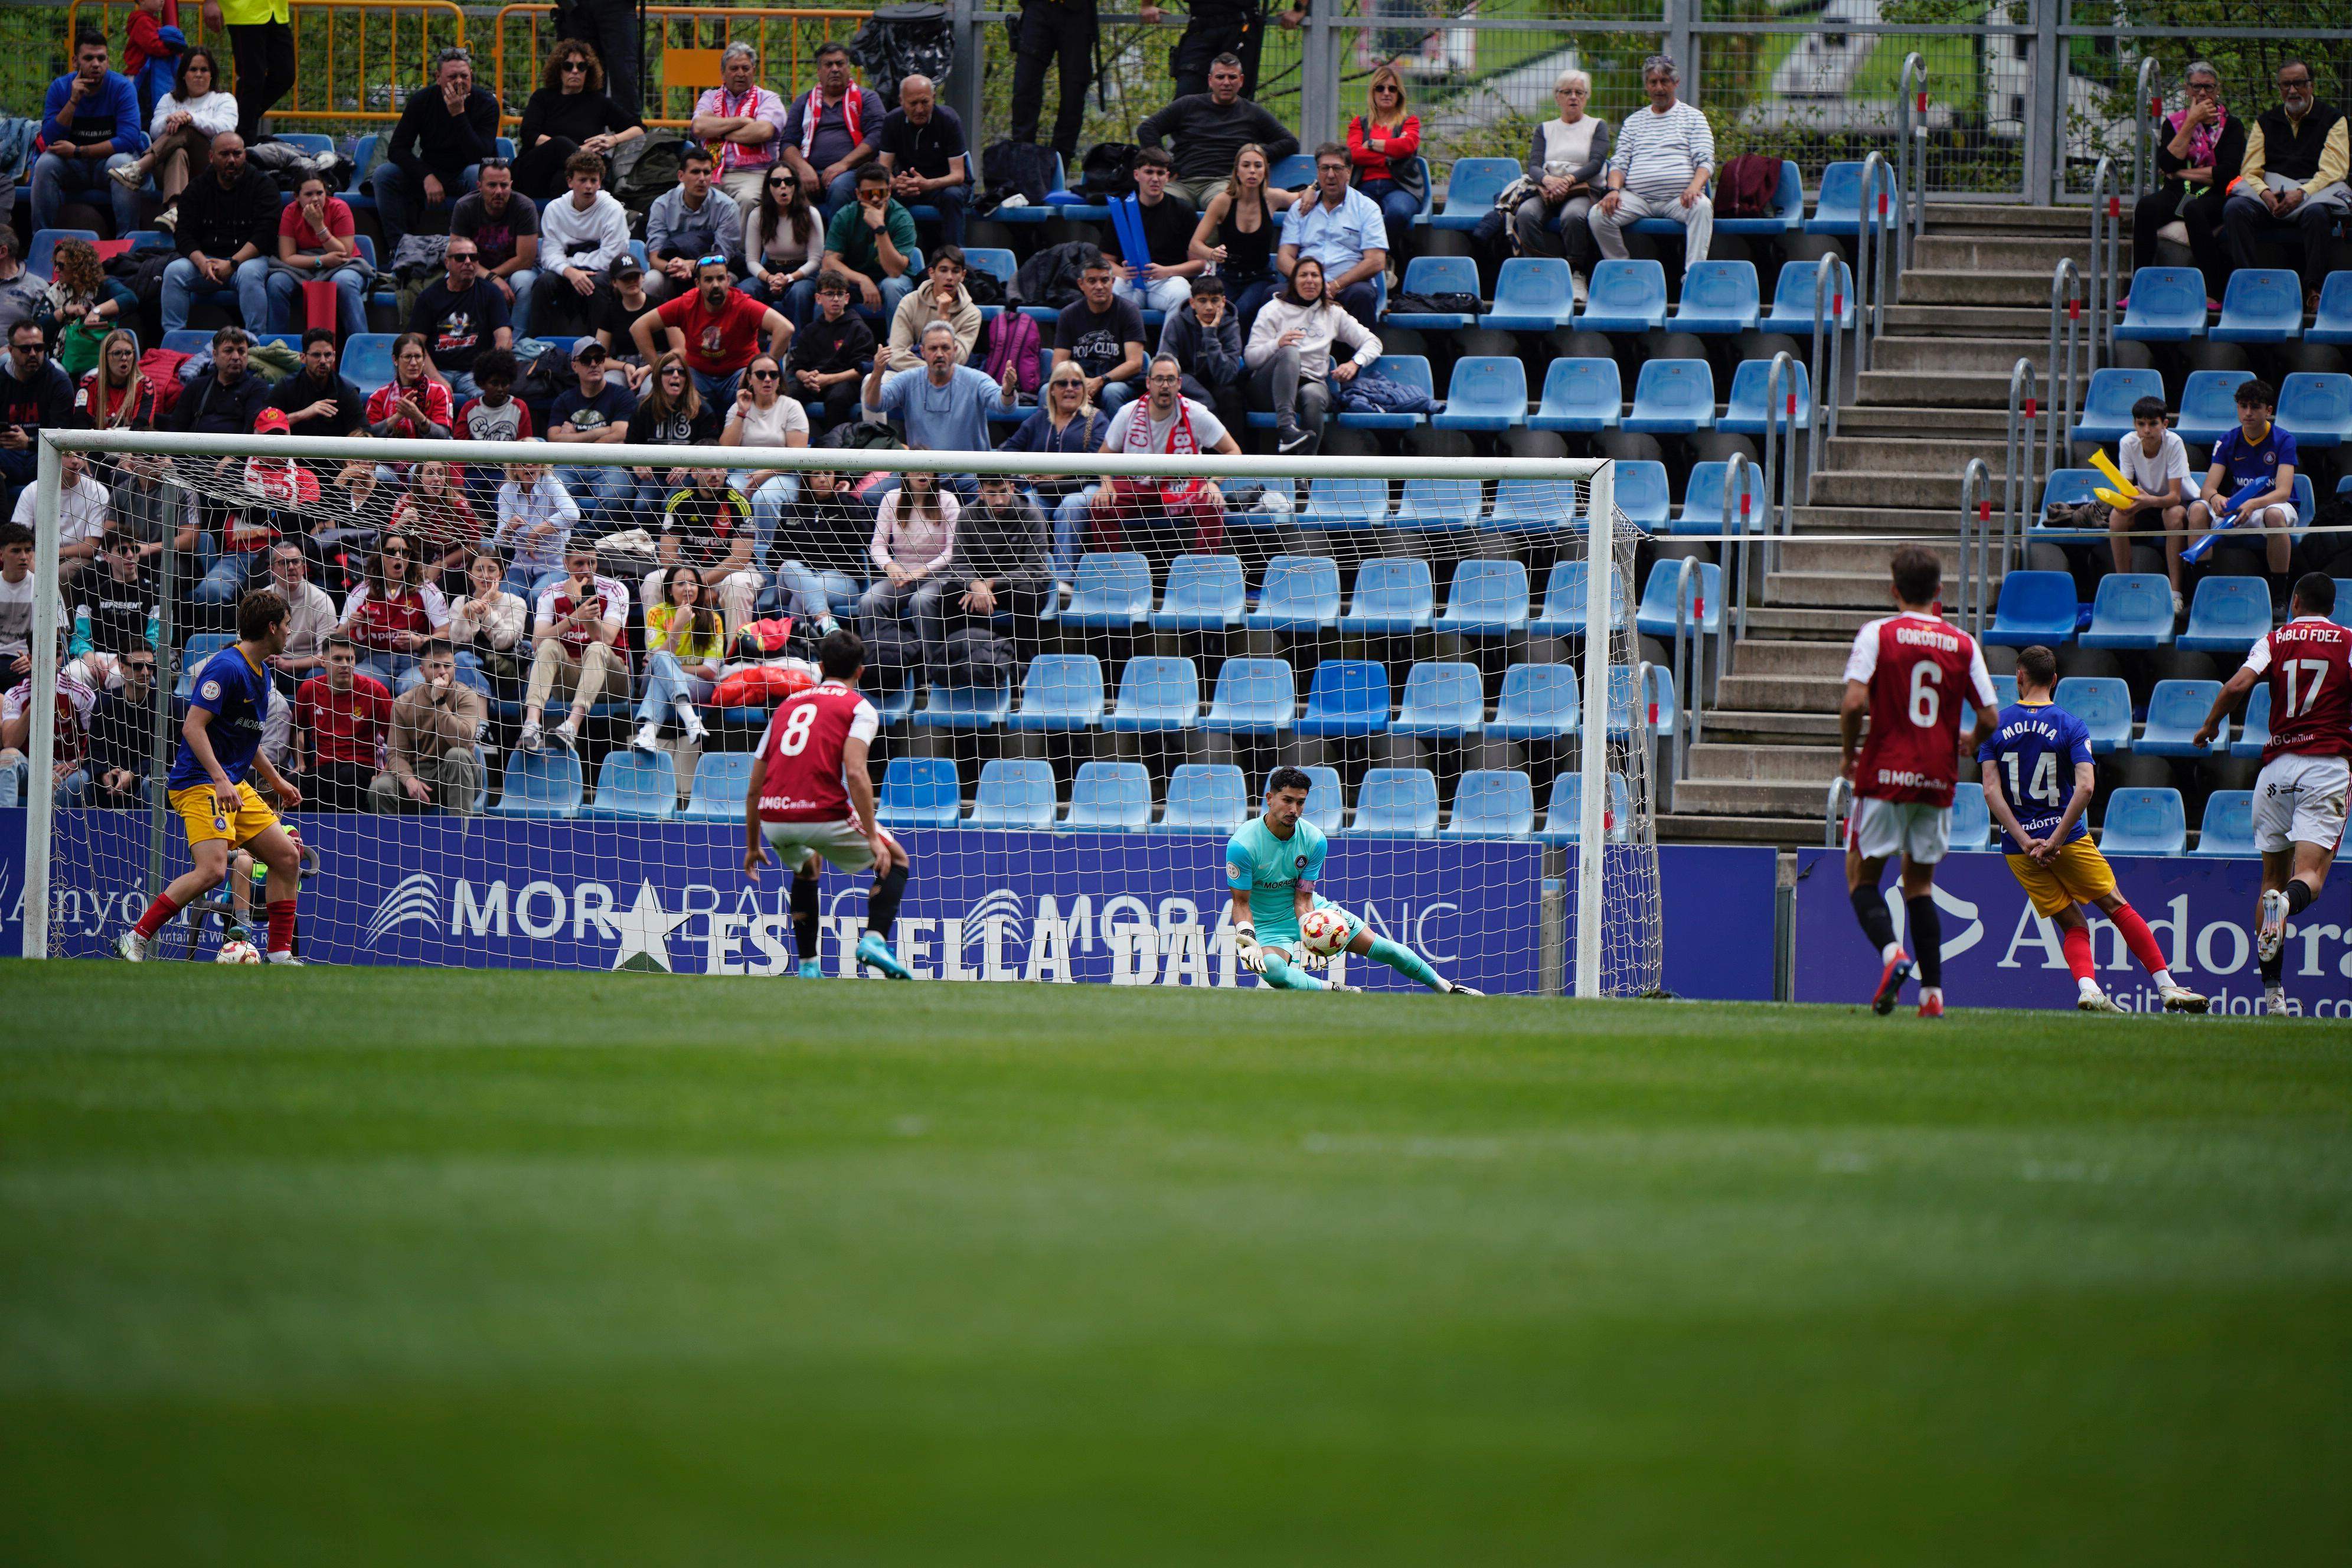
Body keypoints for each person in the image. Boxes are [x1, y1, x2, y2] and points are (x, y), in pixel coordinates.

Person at [1977, 643, 2207, 1015]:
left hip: (2019, 850)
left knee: (2071, 922)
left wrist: (2024, 839)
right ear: (2055, 680)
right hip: (2065, 839)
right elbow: (2086, 786)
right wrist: (2053, 840)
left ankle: (2089, 989)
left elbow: (1990, 790)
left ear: (2019, 677)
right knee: (2115, 905)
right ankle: (2167, 988)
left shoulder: (1994, 726)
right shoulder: (2071, 724)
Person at [1837, 545, 1999, 1019]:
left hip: (1884, 773)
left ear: (1894, 590)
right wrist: (1969, 739)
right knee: (1920, 884)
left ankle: (1893, 955)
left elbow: (1852, 705)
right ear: (1938, 592)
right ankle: (1933, 996)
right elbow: (1990, 715)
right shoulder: (1962, 642)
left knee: (1861, 877)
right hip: (1936, 777)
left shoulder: (1878, 634)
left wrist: (1850, 753)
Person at [2191, 573, 2351, 1017]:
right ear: (2332, 609)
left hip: (2276, 770)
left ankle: (2273, 997)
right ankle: (2288, 906)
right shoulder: (2348, 641)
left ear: (2295, 601)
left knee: (2269, 882)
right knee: (2311, 878)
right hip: (2326, 765)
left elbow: (2237, 686)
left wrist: (2210, 725)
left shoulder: (2276, 638)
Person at [118, 589, 306, 963]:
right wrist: (220, 779)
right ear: (271, 628)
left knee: (286, 857)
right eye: (286, 625)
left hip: (231, 782)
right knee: (213, 870)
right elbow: (192, 728)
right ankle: (136, 938)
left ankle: (281, 956)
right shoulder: (227, 667)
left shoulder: (262, 672)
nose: (290, 631)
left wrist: (278, 780)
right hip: (198, 782)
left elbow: (246, 738)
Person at [743, 626, 913, 979]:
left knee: (807, 867)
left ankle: (808, 967)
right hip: (822, 812)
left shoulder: (787, 705)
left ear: (820, 666)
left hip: (775, 817)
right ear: (860, 671)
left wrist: (752, 845)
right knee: (896, 859)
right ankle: (874, 940)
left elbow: (754, 787)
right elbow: (855, 772)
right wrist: (870, 835)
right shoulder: (860, 707)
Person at [1227, 766, 1481, 995]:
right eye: (1287, 800)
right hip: (1268, 924)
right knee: (1274, 972)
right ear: (1270, 799)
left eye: (1301, 803)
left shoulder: (1314, 840)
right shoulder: (1243, 845)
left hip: (1309, 911)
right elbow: (1241, 904)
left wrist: (1310, 931)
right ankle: (1336, 990)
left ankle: (1448, 989)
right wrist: (1247, 937)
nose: (1294, 810)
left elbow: (1303, 898)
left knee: (1386, 949)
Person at [2220, 60, 2349, 313]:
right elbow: (2251, 170)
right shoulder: (2265, 122)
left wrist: (2302, 194)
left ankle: (2314, 290)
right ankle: (2249, 285)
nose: (2292, 91)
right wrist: (2265, 194)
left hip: (2312, 195)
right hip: (2272, 198)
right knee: (2235, 208)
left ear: (2311, 86)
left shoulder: (2334, 120)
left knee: (2317, 215)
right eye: (2286, 85)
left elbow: (2334, 170)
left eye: (2299, 83)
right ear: (2279, 89)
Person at [1090, 353, 1240, 566]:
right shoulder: (1128, 413)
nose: (1165, 385)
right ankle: (1109, 572)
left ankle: (1203, 574)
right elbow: (1104, 456)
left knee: (1212, 503)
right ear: (1148, 383)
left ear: (1179, 383)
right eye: (1159, 379)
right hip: (1138, 485)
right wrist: (1106, 484)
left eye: (1170, 379)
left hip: (1183, 485)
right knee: (1100, 504)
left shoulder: (1196, 413)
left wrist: (1214, 483)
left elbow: (1233, 451)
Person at [1591, 54, 1714, 276]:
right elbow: (1619, 163)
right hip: (1638, 199)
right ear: (1646, 86)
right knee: (1598, 215)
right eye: (1653, 82)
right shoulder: (1634, 121)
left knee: (1702, 207)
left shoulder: (1694, 118)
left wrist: (1695, 188)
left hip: (1679, 198)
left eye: (1664, 81)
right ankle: (1624, 270)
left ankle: (1693, 277)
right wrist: (1613, 191)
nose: (1659, 87)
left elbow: (1705, 161)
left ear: (1675, 83)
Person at [371, 46, 500, 258]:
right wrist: (426, 176)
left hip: (466, 173)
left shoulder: (486, 103)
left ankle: (474, 250)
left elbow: (480, 154)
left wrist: (458, 114)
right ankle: (399, 250)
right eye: (452, 77)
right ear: (438, 77)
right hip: (431, 170)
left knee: (477, 173)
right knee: (384, 174)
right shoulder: (422, 101)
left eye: (464, 76)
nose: (459, 82)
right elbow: (397, 149)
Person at [916, 473, 1048, 677]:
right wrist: (974, 584)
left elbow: (1036, 568)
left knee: (1027, 595)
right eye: (992, 493)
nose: (999, 500)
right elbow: (959, 562)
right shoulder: (968, 515)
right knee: (950, 596)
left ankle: (1025, 671)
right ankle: (958, 665)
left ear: (1012, 488)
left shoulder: (1032, 514)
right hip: (977, 585)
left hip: (1016, 583)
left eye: (1004, 492)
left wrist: (990, 584)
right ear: (981, 494)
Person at [2131, 61, 2239, 306]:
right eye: (2197, 87)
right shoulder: (2175, 123)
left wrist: (2181, 173)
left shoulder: (2232, 126)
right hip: (2177, 193)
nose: (2203, 93)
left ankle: (2213, 290)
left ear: (2218, 89)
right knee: (2147, 207)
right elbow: (2167, 165)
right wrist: (2191, 122)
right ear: (2187, 90)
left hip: (2214, 194)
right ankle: (2141, 285)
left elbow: (2226, 174)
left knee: (2194, 210)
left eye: (2208, 87)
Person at [1246, 255, 1378, 455]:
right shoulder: (1272, 310)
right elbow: (1251, 358)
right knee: (1289, 351)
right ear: (1293, 281)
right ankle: (1286, 430)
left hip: (1309, 382)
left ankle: (1304, 477)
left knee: (1314, 395)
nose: (1310, 280)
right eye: (1303, 275)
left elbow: (1373, 342)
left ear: (1323, 282)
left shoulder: (1333, 313)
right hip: (1269, 388)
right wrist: (1277, 344)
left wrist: (1355, 363)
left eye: (1315, 275)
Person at [1135, 52, 1299, 208]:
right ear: (1210, 80)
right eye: (1220, 77)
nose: (1226, 83)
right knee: (1162, 204)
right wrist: (1166, 164)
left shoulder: (1253, 112)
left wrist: (1254, 154)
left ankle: (1207, 241)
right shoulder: (1188, 105)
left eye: (1232, 77)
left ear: (1241, 80)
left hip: (1223, 183)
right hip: (1183, 182)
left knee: (1222, 205)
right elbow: (1147, 128)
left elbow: (1290, 142)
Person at [2187, 377, 2299, 596]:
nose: (2248, 413)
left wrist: (2254, 503)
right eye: (2243, 406)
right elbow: (2208, 488)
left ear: (2268, 411)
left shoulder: (2285, 440)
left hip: (2272, 506)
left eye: (2255, 407)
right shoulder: (2227, 440)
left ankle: (2278, 597)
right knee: (2199, 509)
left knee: (2275, 515)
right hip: (2238, 508)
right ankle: (2197, 594)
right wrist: (2215, 499)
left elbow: (2284, 492)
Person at [1000, 361, 1108, 585]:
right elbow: (1009, 450)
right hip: (1043, 490)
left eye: (1076, 383)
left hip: (1084, 486)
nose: (1070, 388)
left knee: (1070, 507)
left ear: (1084, 389)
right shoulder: (1040, 419)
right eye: (1062, 383)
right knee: (1029, 504)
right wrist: (1027, 471)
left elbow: (1097, 458)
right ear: (1052, 390)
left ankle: (1064, 580)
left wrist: (1054, 474)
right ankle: (1030, 576)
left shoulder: (1097, 419)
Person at [634, 253, 791, 405]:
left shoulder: (743, 304)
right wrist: (657, 370)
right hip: (699, 377)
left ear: (728, 281)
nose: (716, 285)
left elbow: (785, 328)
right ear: (698, 284)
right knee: (673, 385)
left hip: (738, 375)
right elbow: (639, 327)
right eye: (709, 280)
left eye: (720, 278)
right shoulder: (686, 303)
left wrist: (763, 367)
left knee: (757, 381)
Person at [517, 540, 628, 753]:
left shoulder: (615, 589)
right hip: (569, 678)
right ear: (566, 564)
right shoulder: (551, 593)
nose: (586, 570)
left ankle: (571, 728)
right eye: (579, 564)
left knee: (597, 648)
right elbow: (536, 642)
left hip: (611, 678)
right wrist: (573, 619)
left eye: (591, 563)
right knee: (548, 645)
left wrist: (579, 603)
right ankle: (531, 726)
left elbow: (607, 639)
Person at [34, 28, 146, 237]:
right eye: (89, 58)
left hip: (106, 165)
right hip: (72, 168)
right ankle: (42, 240)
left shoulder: (122, 88)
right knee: (45, 164)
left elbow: (130, 139)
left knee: (123, 163)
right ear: (75, 61)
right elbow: (49, 138)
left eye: (101, 58)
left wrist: (79, 150)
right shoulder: (60, 88)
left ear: (108, 61)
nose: (96, 64)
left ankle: (129, 243)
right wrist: (74, 100)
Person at [161, 132, 274, 333]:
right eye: (225, 154)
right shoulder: (196, 188)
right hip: (207, 263)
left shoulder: (263, 185)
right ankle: (173, 343)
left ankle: (257, 343)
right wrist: (202, 263)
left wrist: (233, 263)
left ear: (245, 155)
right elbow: (184, 235)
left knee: (250, 275)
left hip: (246, 261)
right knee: (174, 272)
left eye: (237, 154)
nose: (232, 160)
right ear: (211, 157)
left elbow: (265, 235)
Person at [110, 46, 234, 223]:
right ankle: (175, 211)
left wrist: (189, 118)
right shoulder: (169, 99)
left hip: (207, 166)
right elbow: (154, 130)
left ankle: (139, 168)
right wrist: (170, 120)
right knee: (178, 152)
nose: (199, 74)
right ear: (183, 74)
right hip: (166, 169)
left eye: (204, 70)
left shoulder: (224, 99)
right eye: (193, 69)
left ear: (212, 74)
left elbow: (226, 129)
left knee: (186, 128)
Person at [864, 321, 1017, 463]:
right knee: (875, 492)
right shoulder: (908, 379)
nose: (939, 354)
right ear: (923, 352)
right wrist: (877, 373)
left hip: (969, 473)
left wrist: (1008, 390)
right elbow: (874, 405)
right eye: (933, 348)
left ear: (955, 350)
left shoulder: (976, 380)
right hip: (922, 471)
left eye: (945, 348)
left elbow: (1004, 406)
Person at [1514, 69, 1609, 297]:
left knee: (1573, 217)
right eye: (1567, 92)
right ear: (1557, 97)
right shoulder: (1545, 129)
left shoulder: (1597, 126)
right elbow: (1534, 165)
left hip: (1583, 190)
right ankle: (1540, 273)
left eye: (1579, 92)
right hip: (1548, 189)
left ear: (1587, 97)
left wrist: (1567, 181)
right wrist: (1548, 180)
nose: (1573, 97)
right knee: (1526, 214)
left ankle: (1577, 274)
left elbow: (1597, 162)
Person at [511, 40, 641, 202]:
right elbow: (529, 134)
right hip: (535, 172)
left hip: (574, 177)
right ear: (559, 70)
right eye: (568, 66)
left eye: (581, 67)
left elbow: (639, 128)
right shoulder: (542, 97)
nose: (575, 71)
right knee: (560, 144)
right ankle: (608, 204)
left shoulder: (599, 102)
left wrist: (612, 140)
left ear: (588, 71)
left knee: (565, 180)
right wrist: (580, 150)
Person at [1276, 142, 1388, 327]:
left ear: (1349, 172)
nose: (1330, 175)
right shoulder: (1300, 208)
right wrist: (1308, 282)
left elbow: (1376, 261)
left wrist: (1335, 285)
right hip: (1306, 283)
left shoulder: (1367, 208)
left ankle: (1359, 355)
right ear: (1318, 172)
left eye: (1337, 168)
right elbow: (1284, 258)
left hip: (1347, 285)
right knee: (1272, 294)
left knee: (1362, 295)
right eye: (1325, 168)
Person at [1187, 142, 1296, 330]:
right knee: (1213, 310)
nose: (1252, 171)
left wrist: (1310, 191)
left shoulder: (1273, 197)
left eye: (1258, 166)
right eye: (1246, 166)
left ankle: (1244, 358)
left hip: (1260, 277)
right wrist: (1212, 253)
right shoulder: (1223, 201)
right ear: (1237, 170)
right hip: (1227, 276)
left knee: (1243, 309)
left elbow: (1303, 196)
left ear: (1265, 171)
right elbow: (1195, 245)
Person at [370, 638, 485, 814]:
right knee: (380, 789)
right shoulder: (403, 703)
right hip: (418, 774)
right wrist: (409, 781)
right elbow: (395, 754)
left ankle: (461, 834)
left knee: (457, 755)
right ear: (422, 671)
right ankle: (395, 840)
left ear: (455, 667)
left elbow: (462, 740)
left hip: (457, 774)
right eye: (435, 666)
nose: (442, 672)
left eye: (447, 666)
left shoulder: (466, 696)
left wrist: (439, 700)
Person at [719, 351, 811, 566]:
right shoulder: (738, 407)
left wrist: (767, 473)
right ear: (750, 379)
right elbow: (725, 450)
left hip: (785, 474)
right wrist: (742, 413)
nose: (768, 379)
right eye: (760, 374)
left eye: (773, 374)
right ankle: (731, 556)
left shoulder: (791, 407)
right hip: (743, 474)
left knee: (764, 499)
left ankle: (768, 561)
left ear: (780, 379)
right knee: (729, 494)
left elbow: (797, 455)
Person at [797, 162, 916, 328]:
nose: (875, 199)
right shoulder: (845, 215)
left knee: (893, 286)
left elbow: (894, 271)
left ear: (889, 191)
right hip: (852, 281)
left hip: (888, 279)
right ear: (858, 194)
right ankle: (823, 351)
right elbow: (829, 262)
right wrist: (862, 280)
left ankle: (898, 348)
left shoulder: (902, 218)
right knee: (829, 290)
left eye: (880, 193)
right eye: (869, 194)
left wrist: (879, 228)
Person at [2107, 396, 2194, 612]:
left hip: (2175, 504)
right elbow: (2125, 487)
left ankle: (2176, 593)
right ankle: (2124, 586)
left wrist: (2146, 501)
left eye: (2153, 423)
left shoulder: (2174, 443)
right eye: (2141, 424)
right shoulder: (2127, 443)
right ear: (2135, 425)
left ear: (2164, 424)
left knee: (2172, 515)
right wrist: (2122, 502)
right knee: (2117, 517)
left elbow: (2174, 497)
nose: (2147, 430)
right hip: (2147, 503)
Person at [534, 150, 633, 340]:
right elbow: (549, 255)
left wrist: (572, 264)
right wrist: (571, 272)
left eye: (593, 180)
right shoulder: (555, 209)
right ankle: (537, 345)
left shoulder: (613, 209)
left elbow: (611, 258)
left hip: (599, 272)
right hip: (567, 272)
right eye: (582, 180)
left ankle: (600, 348)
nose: (589, 187)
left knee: (595, 284)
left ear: (600, 182)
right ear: (570, 182)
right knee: (543, 282)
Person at [781, 41, 886, 219]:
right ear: (819, 72)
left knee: (839, 187)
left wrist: (843, 164)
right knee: (785, 184)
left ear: (849, 69)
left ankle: (836, 246)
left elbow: (877, 136)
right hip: (810, 172)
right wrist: (803, 168)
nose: (835, 69)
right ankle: (805, 243)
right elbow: (788, 142)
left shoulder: (867, 98)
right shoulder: (804, 102)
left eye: (840, 63)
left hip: (853, 171)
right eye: (828, 65)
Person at [863, 74, 969, 247]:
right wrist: (898, 184)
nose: (920, 110)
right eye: (913, 104)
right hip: (907, 186)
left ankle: (955, 256)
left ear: (934, 99)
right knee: (879, 195)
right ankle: (885, 255)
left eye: (925, 102)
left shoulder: (949, 120)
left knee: (953, 196)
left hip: (942, 185)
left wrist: (928, 184)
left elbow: (958, 175)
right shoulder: (892, 121)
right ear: (901, 101)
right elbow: (883, 172)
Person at [655, 468, 761, 636]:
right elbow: (667, 555)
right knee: (653, 581)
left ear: (726, 471)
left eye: (719, 468)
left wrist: (697, 586)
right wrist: (693, 584)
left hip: (731, 571)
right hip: (691, 570)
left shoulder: (739, 502)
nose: (714, 473)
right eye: (706, 468)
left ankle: (737, 656)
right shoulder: (680, 499)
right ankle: (656, 654)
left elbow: (740, 559)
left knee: (737, 585)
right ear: (694, 473)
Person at [857, 467, 957, 645]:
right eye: (916, 469)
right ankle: (877, 659)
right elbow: (878, 545)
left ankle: (931, 665)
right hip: (901, 578)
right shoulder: (891, 499)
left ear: (935, 475)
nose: (923, 474)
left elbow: (953, 550)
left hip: (939, 577)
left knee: (922, 601)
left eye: (928, 470)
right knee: (869, 601)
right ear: (906, 473)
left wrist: (922, 571)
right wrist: (889, 566)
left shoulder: (948, 500)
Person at [690, 41, 790, 218]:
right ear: (723, 73)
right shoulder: (710, 97)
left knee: (746, 199)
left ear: (754, 70)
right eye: (734, 68)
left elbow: (763, 131)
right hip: (710, 171)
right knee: (682, 194)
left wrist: (718, 128)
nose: (740, 74)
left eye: (746, 68)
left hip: (753, 173)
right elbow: (699, 127)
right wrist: (743, 121)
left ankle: (737, 247)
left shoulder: (768, 99)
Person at [766, 467, 870, 636]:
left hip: (839, 579)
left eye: (828, 474)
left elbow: (865, 539)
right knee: (792, 569)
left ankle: (806, 654)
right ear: (807, 479)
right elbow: (773, 557)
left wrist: (843, 499)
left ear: (837, 477)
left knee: (801, 598)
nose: (822, 479)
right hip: (792, 579)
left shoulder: (847, 505)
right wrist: (804, 571)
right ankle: (826, 624)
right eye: (816, 475)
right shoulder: (792, 509)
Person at [407, 234, 512, 401]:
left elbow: (505, 336)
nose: (468, 262)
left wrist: (490, 371)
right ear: (447, 263)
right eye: (460, 258)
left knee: (490, 397)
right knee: (419, 397)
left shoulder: (491, 293)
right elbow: (415, 343)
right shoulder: (429, 297)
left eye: (474, 257)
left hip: (475, 373)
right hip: (437, 369)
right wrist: (436, 378)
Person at [293, 632, 391, 808]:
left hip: (362, 767)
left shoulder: (375, 691)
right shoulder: (309, 689)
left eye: (350, 659)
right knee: (288, 788)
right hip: (323, 767)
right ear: (323, 661)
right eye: (338, 659)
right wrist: (300, 762)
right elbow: (297, 728)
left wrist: (385, 772)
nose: (345, 665)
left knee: (346, 779)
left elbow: (395, 736)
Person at [339, 531, 449, 687]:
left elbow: (446, 634)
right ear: (380, 556)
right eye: (391, 552)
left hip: (414, 661)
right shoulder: (363, 591)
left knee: (416, 686)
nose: (398, 557)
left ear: (410, 558)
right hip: (374, 662)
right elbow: (337, 637)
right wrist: (349, 624)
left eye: (404, 552)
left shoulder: (426, 589)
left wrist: (421, 641)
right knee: (359, 683)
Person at [631, 564, 723, 752]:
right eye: (681, 584)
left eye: (693, 583)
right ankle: (691, 720)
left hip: (697, 683)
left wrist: (672, 667)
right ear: (670, 590)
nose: (688, 588)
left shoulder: (713, 619)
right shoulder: (656, 613)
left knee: (663, 676)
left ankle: (648, 733)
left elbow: (710, 670)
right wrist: (679, 625)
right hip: (657, 678)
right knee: (663, 659)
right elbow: (658, 658)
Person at [547, 336, 637, 526]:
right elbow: (553, 439)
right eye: (587, 360)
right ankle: (570, 542)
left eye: (599, 359)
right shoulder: (564, 400)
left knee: (618, 495)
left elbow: (621, 433)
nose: (594, 364)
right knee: (545, 491)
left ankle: (586, 540)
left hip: (609, 462)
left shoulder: (622, 395)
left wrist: (573, 439)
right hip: (570, 465)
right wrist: (600, 432)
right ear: (575, 366)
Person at [266, 171, 367, 338]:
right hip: (305, 264)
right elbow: (288, 257)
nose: (315, 199)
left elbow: (344, 253)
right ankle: (276, 346)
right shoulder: (290, 212)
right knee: (276, 283)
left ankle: (362, 346)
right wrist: (321, 261)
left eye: (320, 193)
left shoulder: (339, 208)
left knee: (344, 283)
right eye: (309, 194)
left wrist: (319, 226)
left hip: (344, 265)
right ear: (296, 197)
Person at [450, 159, 543, 342]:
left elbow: (525, 259)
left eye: (504, 185)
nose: (499, 192)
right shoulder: (465, 207)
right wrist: (491, 279)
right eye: (492, 185)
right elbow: (459, 258)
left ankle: (514, 345)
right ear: (479, 186)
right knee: (453, 279)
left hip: (514, 271)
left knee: (525, 282)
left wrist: (493, 277)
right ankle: (465, 343)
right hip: (475, 270)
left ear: (511, 185)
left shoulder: (525, 207)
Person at [1142, 0, 1303, 104]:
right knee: (1186, 97)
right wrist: (1147, 5)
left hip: (1241, 27)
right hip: (1201, 26)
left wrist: (1298, 9)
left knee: (1235, 98)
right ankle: (1185, 151)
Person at [623, 352, 720, 524]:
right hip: (654, 475)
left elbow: (711, 446)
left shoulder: (702, 409)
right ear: (658, 377)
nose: (676, 375)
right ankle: (644, 548)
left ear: (687, 379)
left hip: (686, 475)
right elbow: (630, 445)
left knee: (670, 505)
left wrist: (690, 465)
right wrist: (637, 463)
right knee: (643, 506)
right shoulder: (644, 408)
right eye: (669, 371)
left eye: (681, 372)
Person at [1108, 148, 1205, 317]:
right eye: (1149, 172)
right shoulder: (1121, 211)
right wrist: (1121, 272)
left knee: (1183, 295)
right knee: (1111, 291)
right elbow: (1106, 261)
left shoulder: (1183, 210)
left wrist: (1167, 271)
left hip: (1166, 281)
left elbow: (1199, 264)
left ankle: (1170, 345)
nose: (1154, 179)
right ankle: (1122, 344)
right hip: (1130, 281)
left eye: (1160, 173)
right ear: (1137, 175)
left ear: (1167, 177)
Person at [0, 321, 80, 519]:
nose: (33, 354)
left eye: (39, 348)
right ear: (11, 350)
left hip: (43, 454)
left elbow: (61, 435)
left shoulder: (59, 382)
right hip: (6, 455)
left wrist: (29, 442)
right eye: (25, 349)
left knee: (63, 458)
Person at [1053, 250, 1148, 414]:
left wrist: (1101, 380)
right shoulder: (1069, 314)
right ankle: (1053, 439)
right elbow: (1058, 363)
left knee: (1112, 392)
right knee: (1047, 390)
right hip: (1079, 379)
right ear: (1081, 285)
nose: (1099, 286)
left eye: (1105, 280)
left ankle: (1115, 441)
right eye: (1092, 281)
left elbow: (1135, 363)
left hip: (1116, 380)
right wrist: (1077, 385)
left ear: (1112, 281)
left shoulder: (1129, 311)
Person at [644, 146, 741, 303]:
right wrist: (675, 268)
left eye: (707, 172)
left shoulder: (727, 207)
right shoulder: (661, 205)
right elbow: (654, 258)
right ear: (681, 176)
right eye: (696, 172)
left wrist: (695, 266)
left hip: (715, 272)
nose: (702, 178)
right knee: (651, 280)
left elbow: (723, 257)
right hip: (673, 272)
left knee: (727, 279)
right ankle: (657, 327)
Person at [1156, 272, 1247, 437]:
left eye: (1215, 301)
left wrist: (1210, 334)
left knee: (1231, 396)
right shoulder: (1177, 323)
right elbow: (1167, 371)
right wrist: (1204, 399)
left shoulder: (1231, 325)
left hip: (1219, 382)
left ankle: (1233, 459)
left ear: (1223, 301)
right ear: (1192, 303)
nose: (1209, 307)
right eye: (1203, 301)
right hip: (1187, 386)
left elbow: (1227, 376)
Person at [9, 449, 109, 595]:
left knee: (63, 574)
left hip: (78, 558)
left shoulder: (97, 491)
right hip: (38, 555)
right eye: (68, 455)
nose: (75, 461)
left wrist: (48, 553)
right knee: (17, 566)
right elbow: (16, 537)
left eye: (80, 455)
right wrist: (32, 561)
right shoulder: (33, 490)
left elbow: (90, 547)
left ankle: (63, 619)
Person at [785, 270, 875, 432]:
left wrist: (828, 379)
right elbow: (797, 366)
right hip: (814, 382)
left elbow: (863, 369)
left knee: (838, 398)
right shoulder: (810, 330)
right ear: (818, 299)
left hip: (844, 382)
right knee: (790, 393)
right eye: (829, 294)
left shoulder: (858, 328)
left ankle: (834, 446)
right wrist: (806, 376)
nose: (835, 299)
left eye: (840, 294)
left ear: (847, 298)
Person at [1009, 0, 1095, 165]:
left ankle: (1060, 167)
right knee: (1024, 90)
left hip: (1078, 14)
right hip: (1037, 9)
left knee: (1073, 95)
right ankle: (1022, 163)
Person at [1347, 65, 1423, 238]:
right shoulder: (1359, 123)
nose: (1386, 93)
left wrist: (1372, 144)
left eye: (1392, 89)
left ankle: (1389, 256)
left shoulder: (1409, 122)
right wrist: (1390, 156)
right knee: (1357, 214)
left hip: (1401, 188)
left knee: (1399, 213)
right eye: (1380, 88)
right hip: (1365, 188)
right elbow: (1353, 154)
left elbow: (1407, 146)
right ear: (1373, 93)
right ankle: (1373, 258)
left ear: (1399, 94)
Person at [881, 244, 981, 372]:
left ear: (963, 275)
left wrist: (944, 320)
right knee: (873, 380)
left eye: (956, 271)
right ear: (932, 273)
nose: (950, 277)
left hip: (949, 378)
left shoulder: (972, 314)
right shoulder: (910, 302)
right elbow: (896, 355)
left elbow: (958, 360)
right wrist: (931, 370)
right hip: (910, 374)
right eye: (944, 270)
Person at [386, 459, 482, 587]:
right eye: (430, 473)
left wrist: (440, 565)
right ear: (419, 479)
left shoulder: (460, 504)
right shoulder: (405, 503)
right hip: (417, 559)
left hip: (452, 561)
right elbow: (384, 541)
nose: (437, 478)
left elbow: (475, 544)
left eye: (441, 473)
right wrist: (400, 522)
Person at [85, 638, 156, 808]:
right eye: (138, 666)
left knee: (155, 786)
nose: (146, 672)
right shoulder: (106, 701)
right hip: (110, 777)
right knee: (72, 784)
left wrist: (134, 774)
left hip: (149, 775)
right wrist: (104, 772)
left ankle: (154, 834)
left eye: (150, 666)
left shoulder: (168, 704)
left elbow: (170, 754)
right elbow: (95, 748)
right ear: (122, 669)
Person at [214, 0, 296, 144]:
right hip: (244, 12)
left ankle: (236, 125)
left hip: (275, 12)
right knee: (252, 80)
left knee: (285, 75)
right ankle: (241, 141)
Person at [493, 461, 579, 598]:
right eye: (523, 463)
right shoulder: (507, 490)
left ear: (542, 466)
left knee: (536, 597)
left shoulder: (552, 484)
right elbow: (499, 541)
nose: (529, 466)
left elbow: (572, 514)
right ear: (514, 468)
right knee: (506, 597)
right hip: (521, 566)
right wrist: (508, 529)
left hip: (554, 566)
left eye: (535, 462)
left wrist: (535, 533)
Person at [742, 164, 824, 307]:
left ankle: (799, 330)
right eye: (776, 182)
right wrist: (770, 279)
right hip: (771, 271)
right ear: (769, 187)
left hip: (803, 273)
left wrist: (789, 278)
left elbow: (816, 260)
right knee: (747, 289)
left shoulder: (810, 214)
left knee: (799, 293)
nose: (783, 186)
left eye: (789, 181)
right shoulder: (757, 215)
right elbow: (751, 260)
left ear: (796, 185)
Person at [550, 0, 641, 126]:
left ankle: (629, 136)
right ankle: (582, 134)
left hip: (618, 7)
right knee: (581, 70)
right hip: (576, 9)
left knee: (624, 76)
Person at [262, 539, 338, 687]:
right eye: (284, 563)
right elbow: (245, 644)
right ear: (272, 570)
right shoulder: (262, 600)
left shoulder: (321, 600)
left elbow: (326, 656)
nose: (291, 567)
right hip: (269, 666)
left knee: (322, 675)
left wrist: (287, 665)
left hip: (307, 669)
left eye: (295, 562)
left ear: (303, 567)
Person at [446, 548, 529, 686]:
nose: (485, 575)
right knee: (461, 658)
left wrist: (486, 608)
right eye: (479, 570)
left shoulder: (516, 602)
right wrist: (466, 613)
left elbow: (503, 642)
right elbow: (455, 642)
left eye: (491, 570)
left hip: (505, 671)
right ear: (470, 574)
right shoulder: (460, 602)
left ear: (500, 574)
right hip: (470, 667)